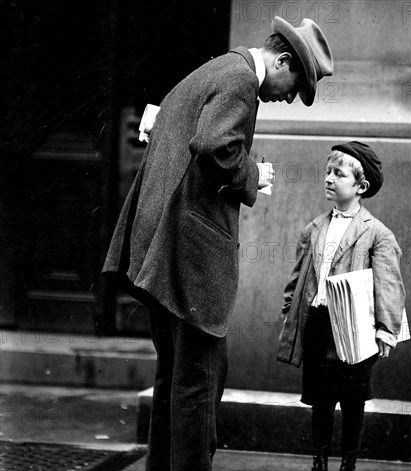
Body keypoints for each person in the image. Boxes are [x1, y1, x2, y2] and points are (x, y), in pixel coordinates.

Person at [102, 16, 333, 471]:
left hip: (158, 250)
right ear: (282, 59)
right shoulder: (241, 81)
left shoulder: (216, 70)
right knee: (199, 384)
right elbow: (214, 146)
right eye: (296, 85)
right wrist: (252, 176)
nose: (288, 97)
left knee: (176, 379)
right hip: (189, 258)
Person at [277, 142, 408, 471]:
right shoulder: (315, 227)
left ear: (361, 186)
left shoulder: (376, 233)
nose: (329, 179)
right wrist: (290, 313)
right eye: (327, 172)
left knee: (352, 402)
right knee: (320, 401)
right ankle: (318, 460)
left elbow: (389, 285)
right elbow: (298, 277)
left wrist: (386, 330)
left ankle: (348, 463)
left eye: (339, 174)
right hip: (319, 325)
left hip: (354, 329)